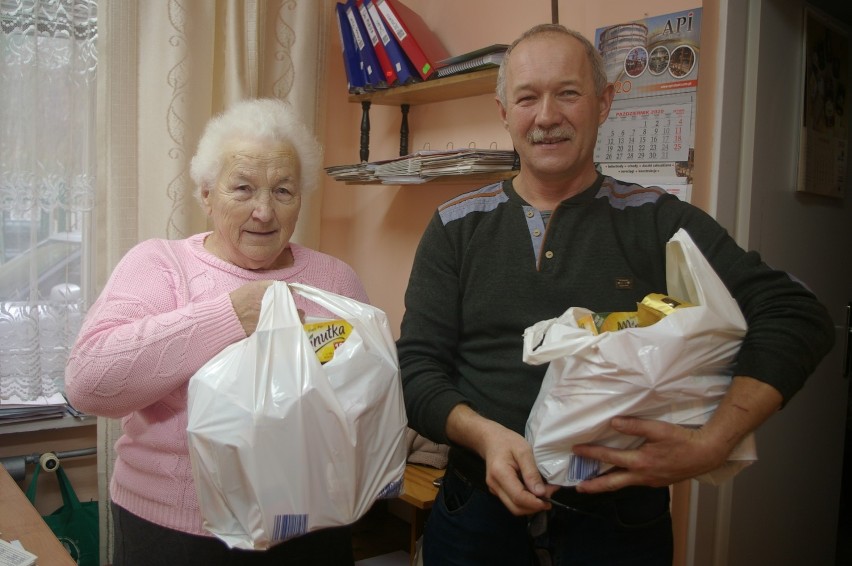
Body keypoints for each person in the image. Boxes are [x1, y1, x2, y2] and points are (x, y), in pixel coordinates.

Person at [396, 24, 835, 566]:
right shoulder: (455, 226)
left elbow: (795, 313)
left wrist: (713, 443)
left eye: (569, 93)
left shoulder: (657, 219)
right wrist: (486, 438)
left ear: (604, 103)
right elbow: (416, 372)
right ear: (504, 112)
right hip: (474, 517)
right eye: (528, 97)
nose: (548, 115)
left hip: (620, 524)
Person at [65, 98, 364, 566]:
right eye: (242, 188)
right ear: (206, 194)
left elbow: (362, 403)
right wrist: (229, 315)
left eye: (283, 191)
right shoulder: (160, 265)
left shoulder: (335, 280)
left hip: (310, 529)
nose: (264, 211)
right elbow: (88, 384)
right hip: (174, 534)